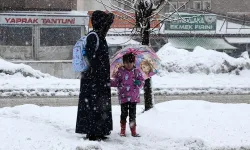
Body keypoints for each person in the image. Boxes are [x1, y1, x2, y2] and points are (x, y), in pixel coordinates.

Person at [75, 10, 114, 141]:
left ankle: (101, 129)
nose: (107, 26)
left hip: (99, 78)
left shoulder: (100, 36)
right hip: (93, 79)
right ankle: (92, 131)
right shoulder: (93, 36)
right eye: (105, 23)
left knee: (100, 104)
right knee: (94, 104)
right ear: (99, 23)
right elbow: (91, 57)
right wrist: (97, 71)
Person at [111, 53, 145, 137]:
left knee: (132, 115)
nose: (128, 64)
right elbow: (116, 82)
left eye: (130, 62)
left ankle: (133, 131)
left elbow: (142, 81)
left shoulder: (137, 71)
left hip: (134, 98)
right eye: (126, 62)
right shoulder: (120, 71)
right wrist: (109, 82)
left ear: (134, 62)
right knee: (124, 114)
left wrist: (139, 82)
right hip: (123, 97)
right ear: (123, 63)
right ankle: (123, 130)